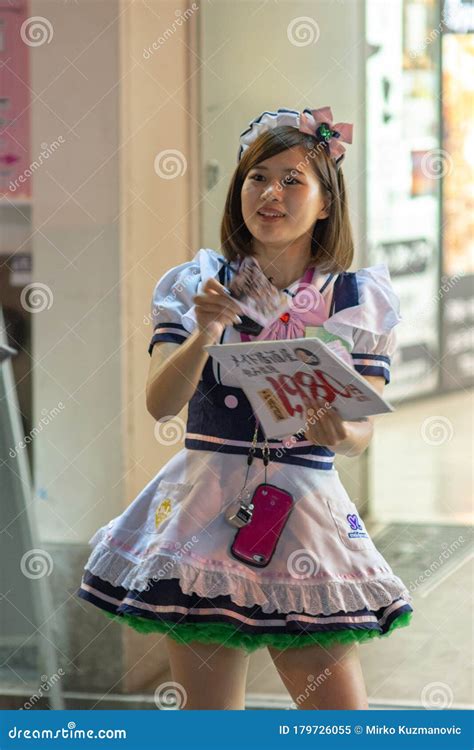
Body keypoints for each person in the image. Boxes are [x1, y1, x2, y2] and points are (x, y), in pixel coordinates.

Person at [77, 106, 414, 710]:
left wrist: (336, 429)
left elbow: (361, 433)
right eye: (257, 178)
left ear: (326, 202)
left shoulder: (358, 298)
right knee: (211, 727)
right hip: (203, 505)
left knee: (341, 724)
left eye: (291, 180)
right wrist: (205, 333)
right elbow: (161, 404)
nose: (271, 193)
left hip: (306, 508)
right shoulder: (198, 283)